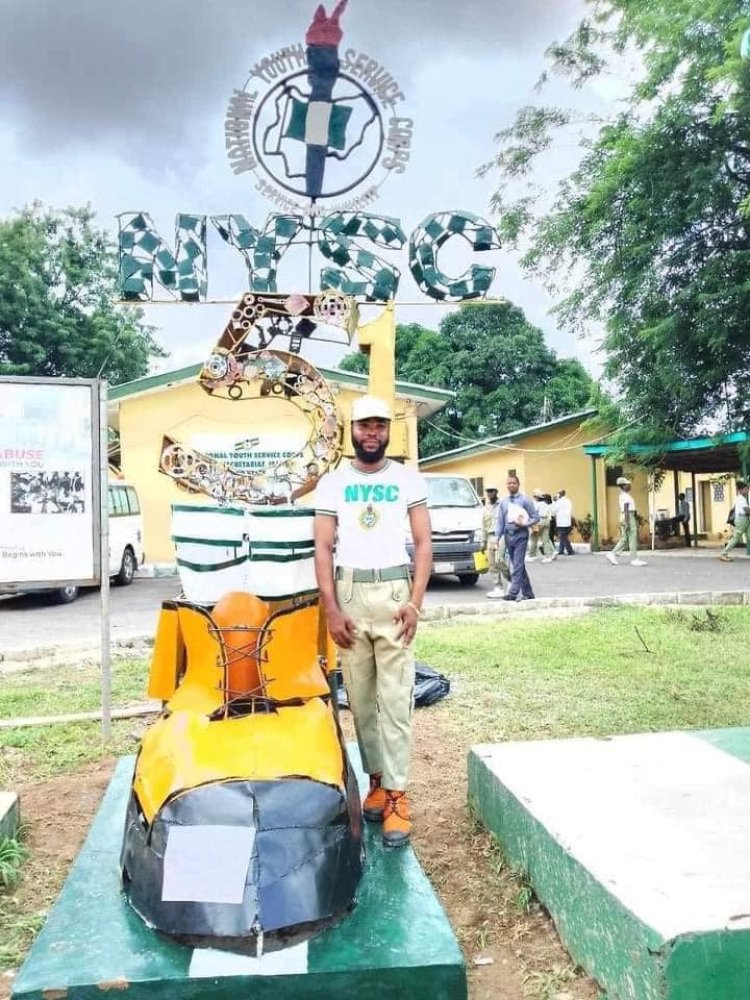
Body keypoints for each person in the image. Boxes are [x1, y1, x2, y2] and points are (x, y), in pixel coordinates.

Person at [314, 395, 432, 849]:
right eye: (364, 425)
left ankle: (399, 796)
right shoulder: (333, 484)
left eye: (379, 426)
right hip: (349, 594)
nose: (372, 433)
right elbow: (323, 548)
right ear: (352, 430)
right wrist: (331, 608)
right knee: (360, 701)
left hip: (394, 595)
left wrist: (415, 603)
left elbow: (423, 543)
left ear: (388, 431)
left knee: (395, 699)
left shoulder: (406, 479)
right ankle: (378, 780)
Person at [487, 474, 538, 601]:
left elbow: (535, 517)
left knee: (517, 565)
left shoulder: (525, 500)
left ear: (518, 484)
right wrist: (497, 538)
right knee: (518, 565)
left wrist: (525, 524)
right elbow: (500, 522)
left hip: (521, 535)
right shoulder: (504, 502)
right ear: (506, 485)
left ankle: (513, 592)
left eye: (513, 483)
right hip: (509, 537)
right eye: (509, 483)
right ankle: (528, 592)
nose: (511, 485)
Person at [606, 476, 647, 566]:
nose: (630, 486)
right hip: (628, 516)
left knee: (625, 538)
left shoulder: (624, 495)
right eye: (628, 485)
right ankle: (634, 559)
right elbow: (626, 508)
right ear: (623, 486)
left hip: (626, 515)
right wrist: (627, 521)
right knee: (632, 537)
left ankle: (613, 553)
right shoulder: (625, 496)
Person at [719, 481, 750, 561]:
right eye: (746, 489)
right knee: (736, 538)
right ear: (740, 490)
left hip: (744, 519)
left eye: (747, 489)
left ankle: (724, 553)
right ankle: (723, 553)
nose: (747, 491)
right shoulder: (741, 499)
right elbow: (746, 511)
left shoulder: (740, 498)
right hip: (741, 520)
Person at [528, 488, 554, 561]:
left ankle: (532, 555)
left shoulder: (536, 504)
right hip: (547, 521)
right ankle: (548, 556)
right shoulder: (545, 503)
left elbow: (534, 513)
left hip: (539, 521)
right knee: (545, 539)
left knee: (534, 538)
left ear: (535, 497)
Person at [553, 489, 575, 556]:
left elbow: (554, 510)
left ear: (559, 494)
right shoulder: (569, 501)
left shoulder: (558, 502)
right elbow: (570, 510)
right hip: (567, 521)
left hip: (561, 522)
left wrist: (554, 501)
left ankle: (570, 550)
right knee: (563, 536)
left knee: (563, 537)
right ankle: (561, 550)